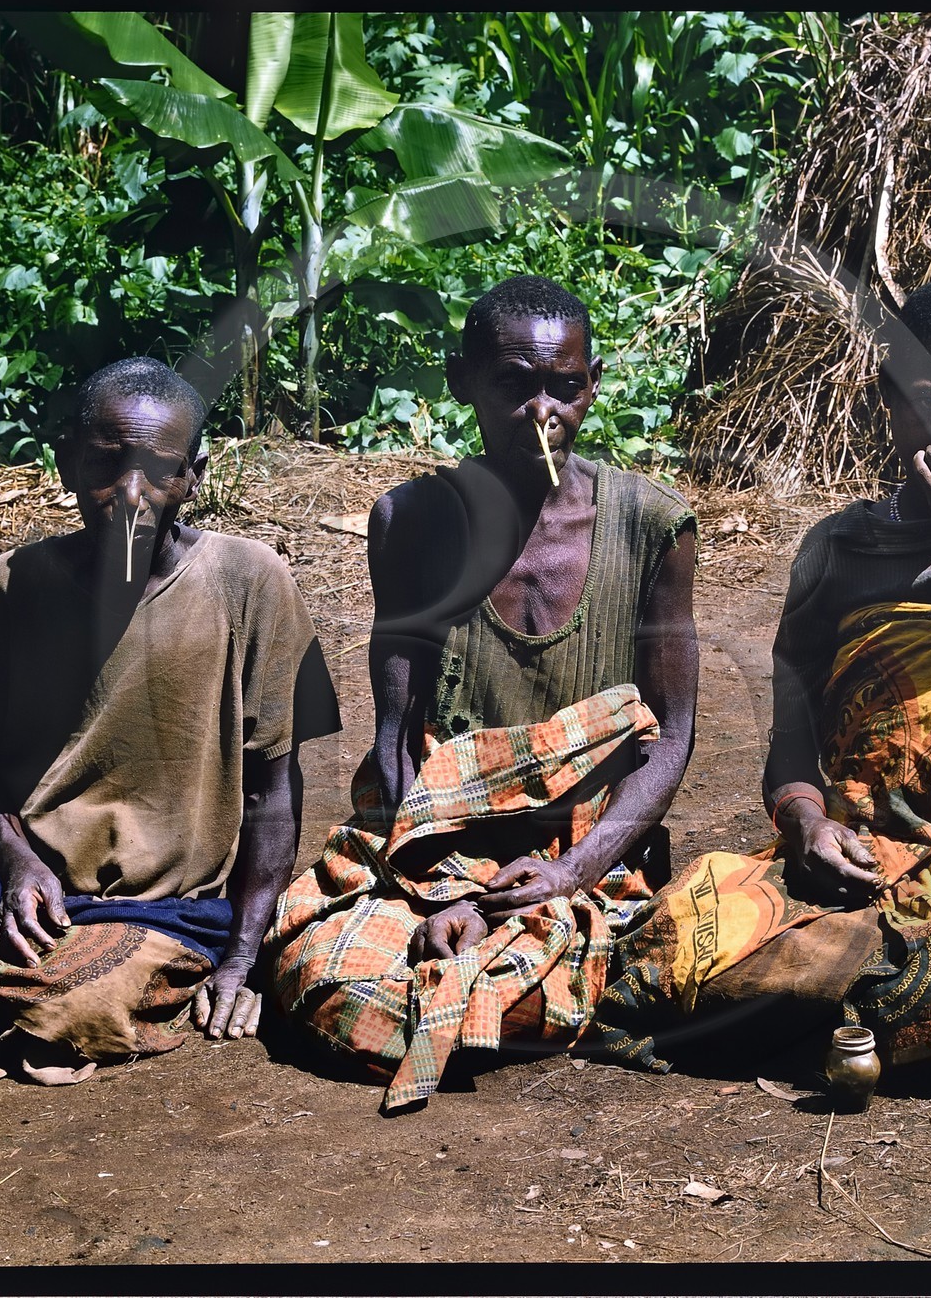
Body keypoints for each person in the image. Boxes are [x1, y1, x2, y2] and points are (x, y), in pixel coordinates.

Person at [611, 277, 931, 1068]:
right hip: (871, 841)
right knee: (668, 943)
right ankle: (850, 1005)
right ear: (887, 400)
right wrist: (806, 822)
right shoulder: (835, 549)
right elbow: (792, 743)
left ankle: (825, 1006)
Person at [0, 358, 340, 1084]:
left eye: (158, 471)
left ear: (193, 476)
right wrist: (20, 865)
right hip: (16, 875)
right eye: (106, 466)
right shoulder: (15, 585)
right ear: (67, 463)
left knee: (75, 1009)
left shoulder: (251, 580)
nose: (130, 496)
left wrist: (240, 958)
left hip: (158, 908)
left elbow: (273, 794)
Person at [268, 275, 698, 1110]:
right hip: (439, 844)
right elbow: (398, 741)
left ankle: (509, 981)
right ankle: (497, 987)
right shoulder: (414, 523)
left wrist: (569, 872)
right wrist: (454, 890)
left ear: (593, 383)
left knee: (652, 961)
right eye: (513, 385)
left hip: (587, 848)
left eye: (564, 387)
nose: (543, 412)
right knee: (327, 974)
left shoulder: (652, 525)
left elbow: (672, 735)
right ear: (462, 381)